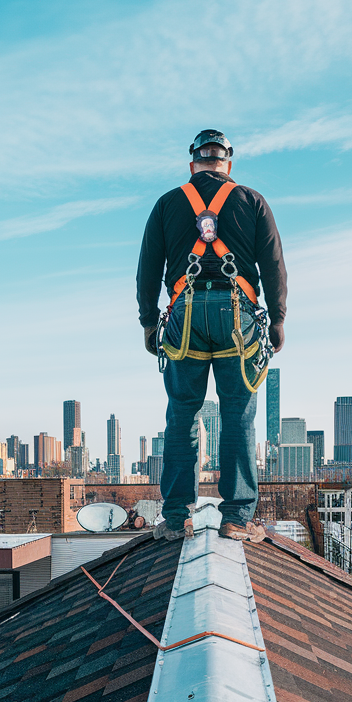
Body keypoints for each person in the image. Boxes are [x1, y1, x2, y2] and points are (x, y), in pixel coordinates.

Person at [136, 129, 287, 541]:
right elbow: (273, 264)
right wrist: (277, 320)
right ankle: (236, 519)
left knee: (182, 413)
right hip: (238, 315)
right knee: (238, 413)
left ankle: (175, 516)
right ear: (228, 165)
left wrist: (149, 322)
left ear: (193, 166)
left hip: (184, 317)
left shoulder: (168, 203)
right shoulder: (252, 200)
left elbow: (148, 268)